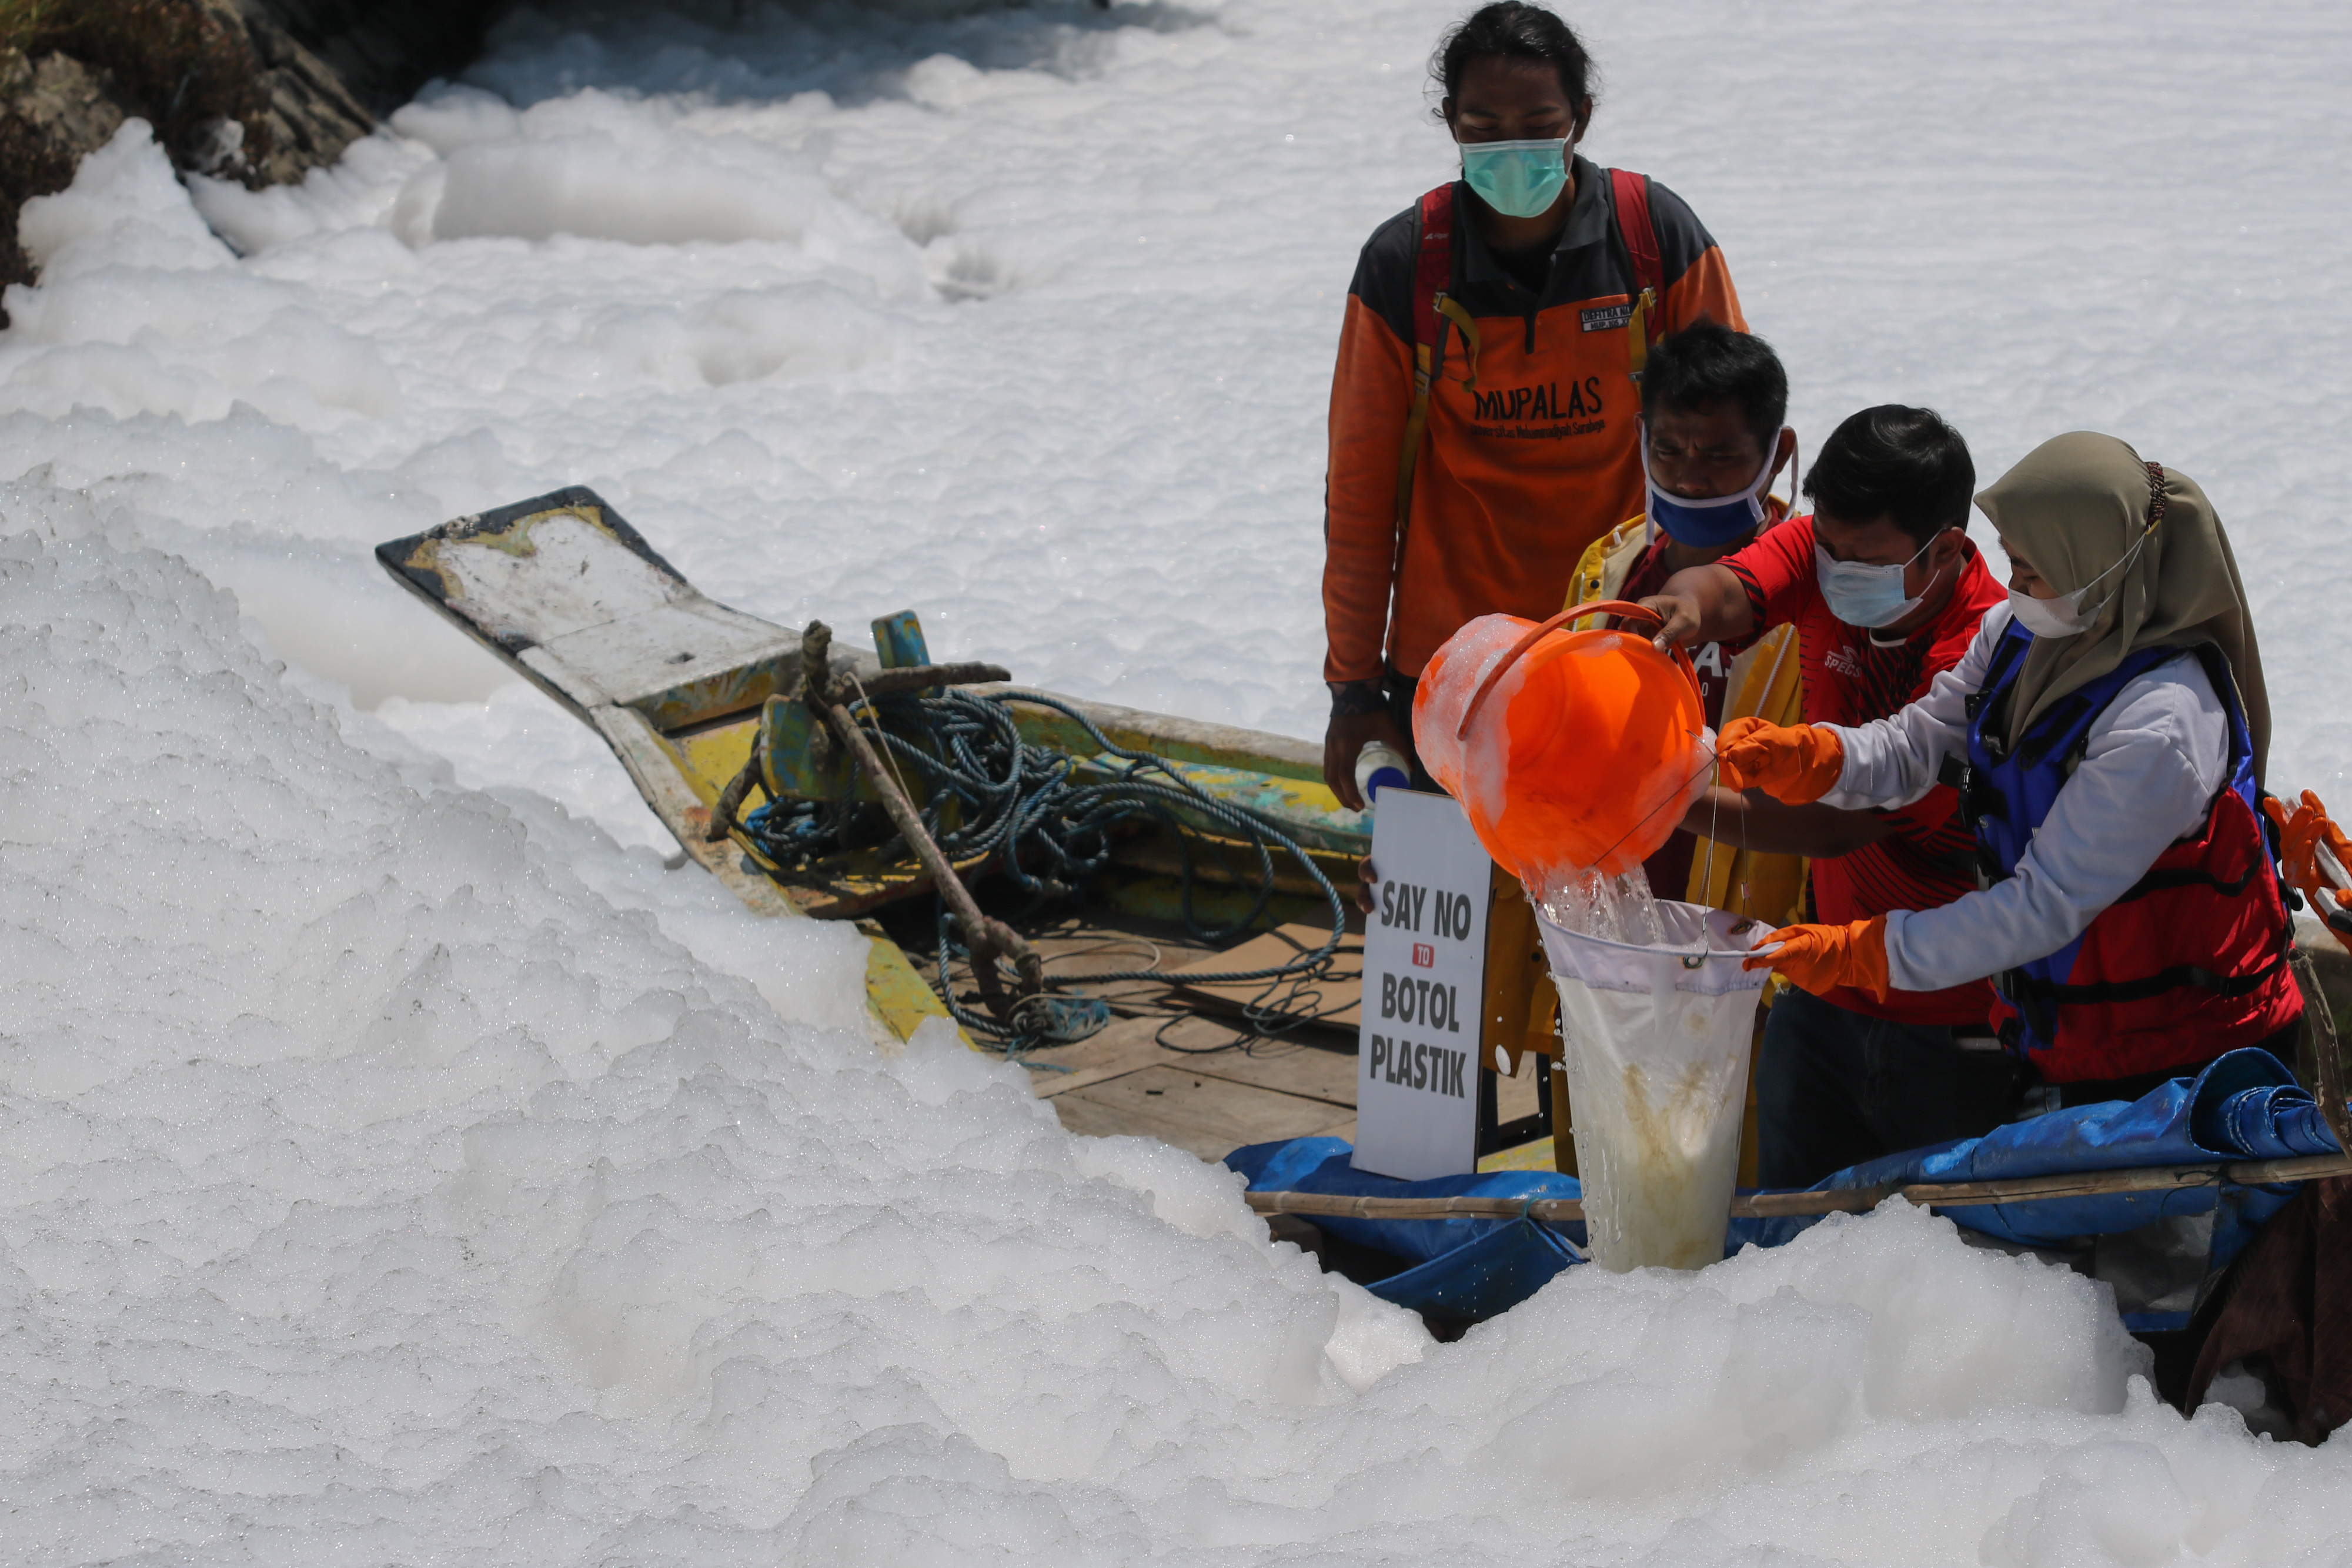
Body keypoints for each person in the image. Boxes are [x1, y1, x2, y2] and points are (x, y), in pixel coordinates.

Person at [1725, 433, 2300, 1136]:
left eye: (2032, 568)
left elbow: (2041, 906)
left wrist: (1865, 953)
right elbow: (1916, 742)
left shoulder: (2163, 724)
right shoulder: (2021, 633)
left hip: (2184, 1065)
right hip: (2064, 1040)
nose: (2012, 585)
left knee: (2150, 1246)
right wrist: (1809, 756)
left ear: (2098, 564)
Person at [1321, 0, 1746, 811]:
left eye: (1539, 122)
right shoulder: (1405, 265)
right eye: (1483, 127)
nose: (1512, 150)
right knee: (1451, 928)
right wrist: (1352, 687)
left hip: (1623, 649)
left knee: (1611, 917)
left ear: (1579, 119)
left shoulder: (1654, 237)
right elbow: (1360, 496)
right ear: (1450, 122)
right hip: (1451, 672)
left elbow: (1736, 459)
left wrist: (1738, 620)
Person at [1638, 406, 2010, 1187]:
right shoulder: (1826, 547)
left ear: (1945, 546)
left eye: (1862, 559)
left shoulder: (1979, 650)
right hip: (1823, 985)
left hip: (1951, 1020)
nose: (1835, 573)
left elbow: (1840, 827)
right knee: (1790, 1247)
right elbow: (1733, 588)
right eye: (1827, 546)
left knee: (1943, 1271)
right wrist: (1686, 604)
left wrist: (1658, 799)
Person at [1563, 320, 1802, 917]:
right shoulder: (1606, 574)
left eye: (1720, 455)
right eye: (1668, 451)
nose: (1690, 479)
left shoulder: (1808, 608)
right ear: (1641, 438)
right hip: (1605, 917)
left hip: (1735, 934)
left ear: (1779, 455)